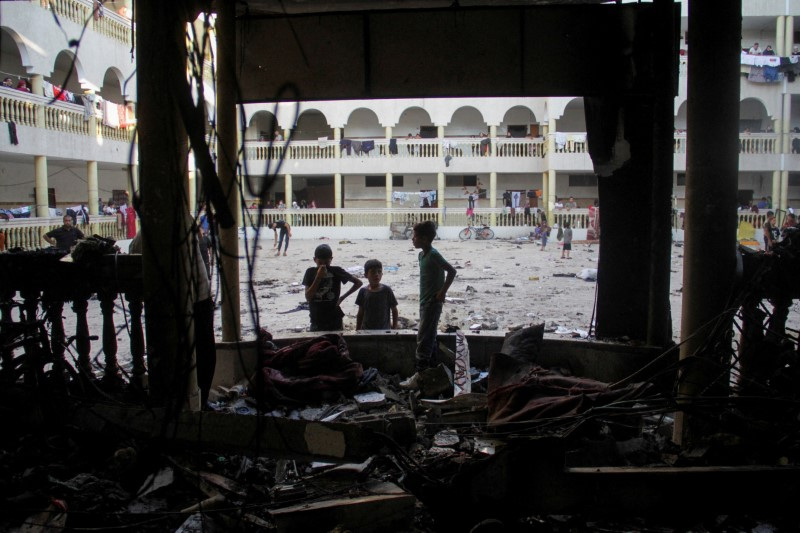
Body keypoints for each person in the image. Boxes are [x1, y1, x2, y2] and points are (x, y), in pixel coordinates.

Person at [402, 221, 456, 387]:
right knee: (429, 337)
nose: (413, 239)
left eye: (415, 236)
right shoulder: (422, 256)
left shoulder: (433, 254)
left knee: (423, 339)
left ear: (424, 239)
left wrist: (442, 292)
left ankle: (420, 377)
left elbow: (452, 271)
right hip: (424, 302)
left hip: (433, 302)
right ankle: (432, 375)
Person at [302, 244, 363, 331]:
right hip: (316, 319)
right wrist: (318, 277)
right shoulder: (310, 272)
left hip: (334, 319)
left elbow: (358, 283)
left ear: (331, 259)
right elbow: (308, 297)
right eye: (320, 263)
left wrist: (342, 298)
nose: (323, 266)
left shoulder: (336, 271)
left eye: (326, 263)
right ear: (315, 260)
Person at [355, 259, 399, 330]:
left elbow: (394, 310)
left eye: (379, 272)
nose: (376, 275)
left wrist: (394, 328)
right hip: (366, 331)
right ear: (366, 275)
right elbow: (360, 313)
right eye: (373, 272)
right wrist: (358, 330)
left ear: (382, 274)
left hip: (384, 331)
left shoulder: (386, 290)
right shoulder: (363, 291)